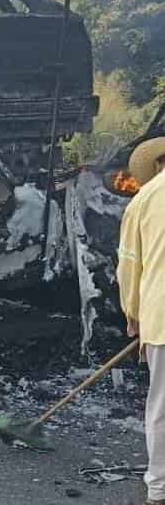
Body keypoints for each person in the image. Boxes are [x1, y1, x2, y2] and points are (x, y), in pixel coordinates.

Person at [117, 136, 165, 504]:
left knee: (161, 408)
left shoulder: (143, 201)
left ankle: (159, 488)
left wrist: (134, 315)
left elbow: (130, 268)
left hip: (161, 315)